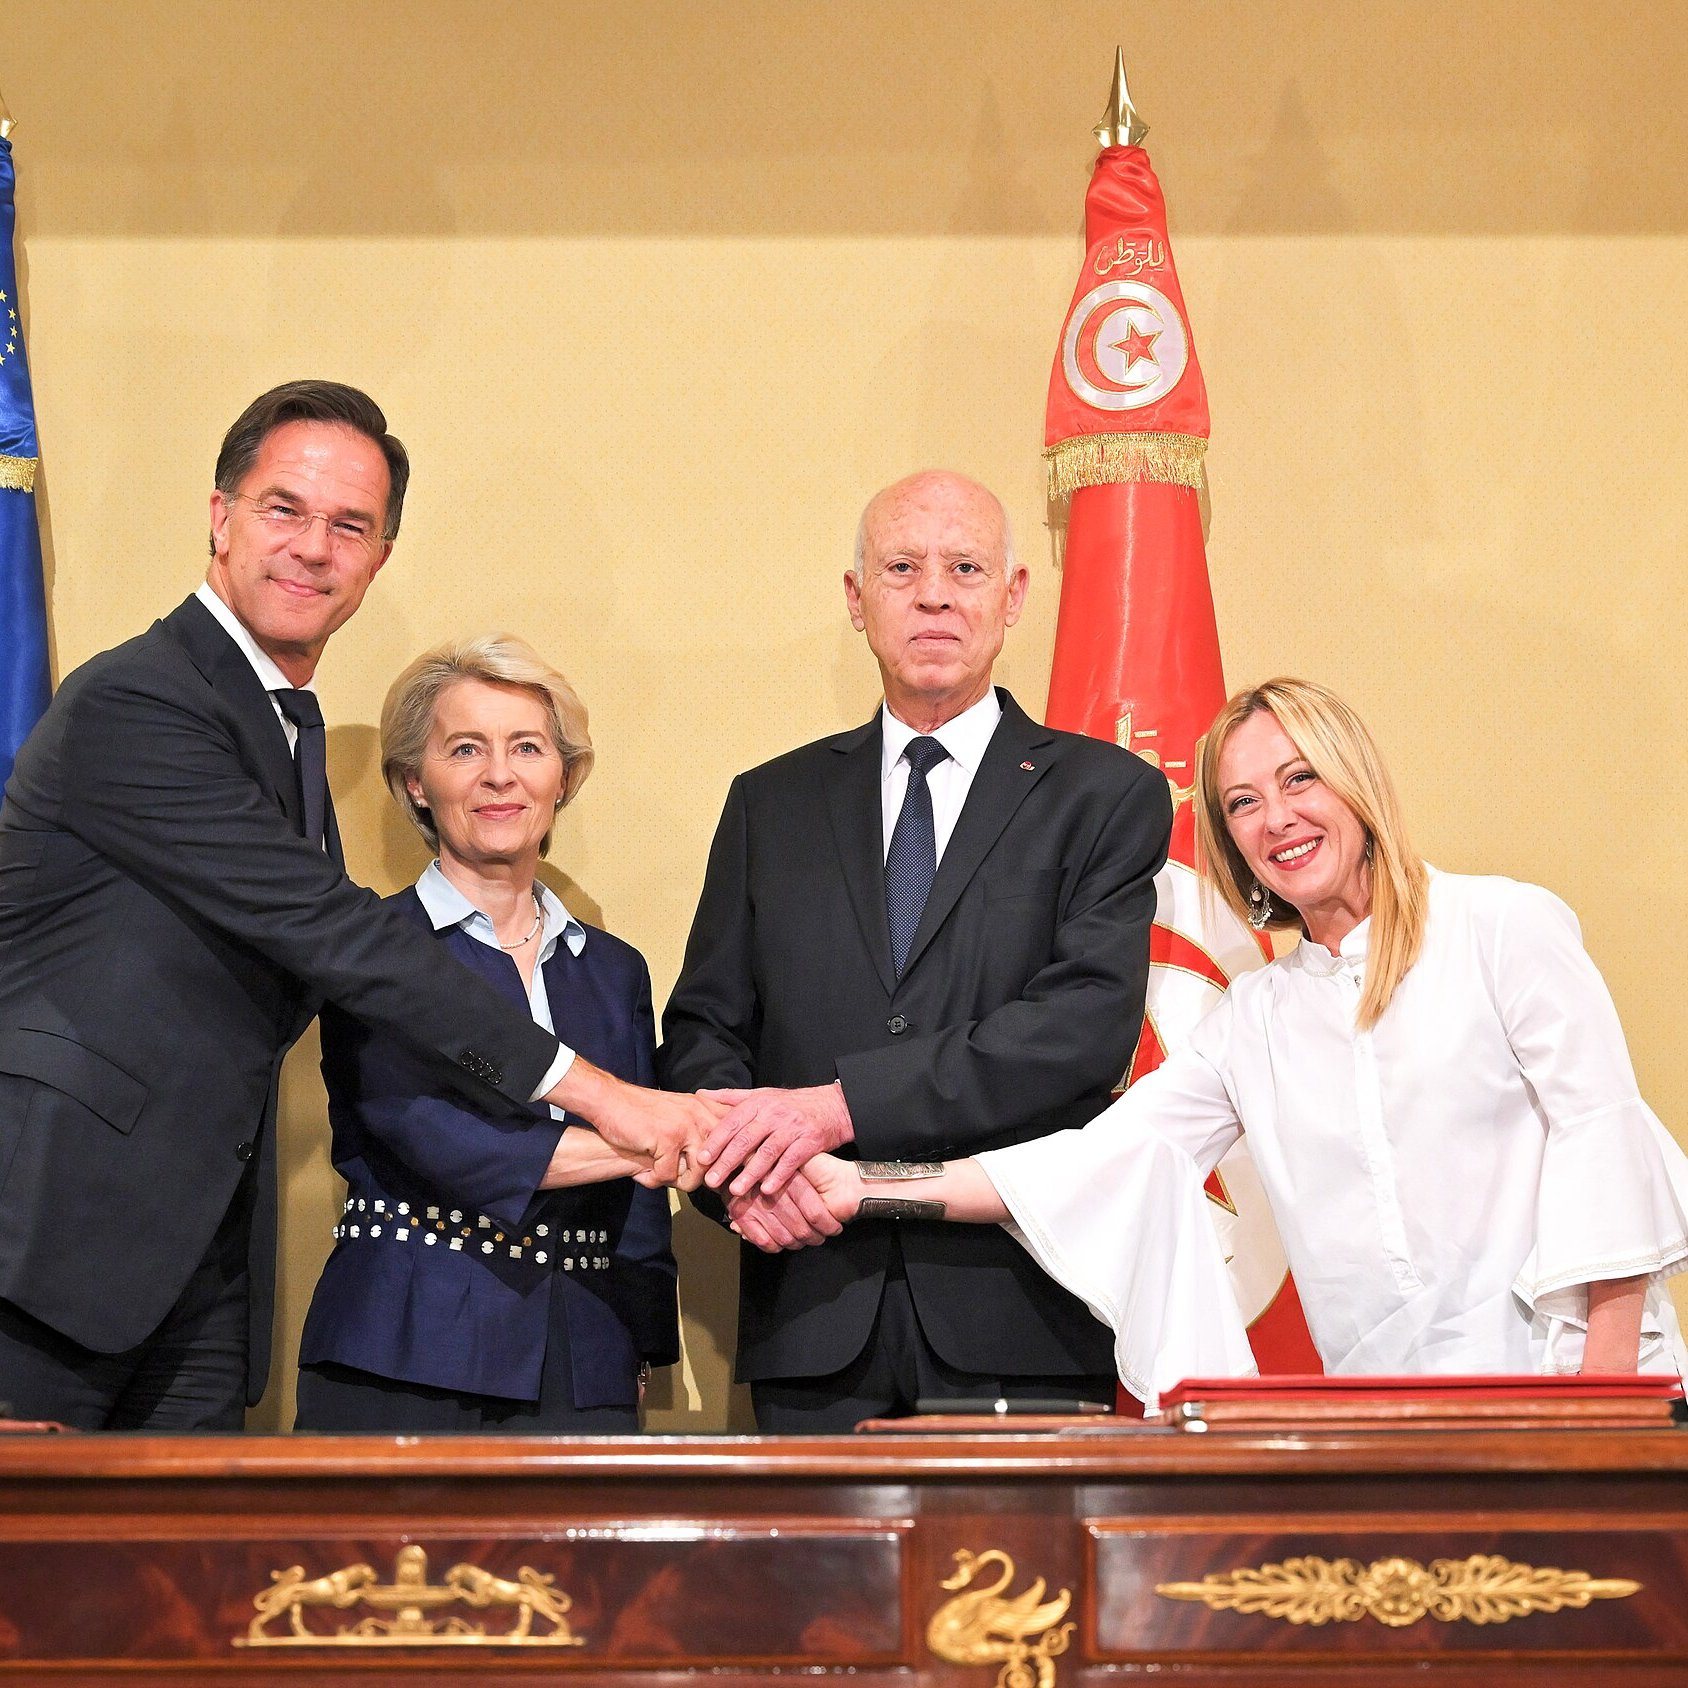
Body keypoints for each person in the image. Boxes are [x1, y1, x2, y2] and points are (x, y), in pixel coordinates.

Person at [0, 381, 709, 1431]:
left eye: (350, 525)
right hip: (43, 1251)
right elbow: (337, 938)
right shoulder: (139, 700)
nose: (312, 547)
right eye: (284, 508)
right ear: (219, 515)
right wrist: (609, 1096)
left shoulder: (284, 730)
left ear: (379, 558)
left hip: (190, 1277)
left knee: (178, 1590)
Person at [783, 678, 1688, 1409]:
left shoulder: (1504, 927)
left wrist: (1605, 1398)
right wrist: (860, 1185)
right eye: (1243, 802)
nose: (1276, 820)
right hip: (1393, 1419)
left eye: (1301, 780)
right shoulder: (1255, 1018)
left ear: (1357, 783)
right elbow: (1091, 1166)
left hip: (1572, 1390)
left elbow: (1602, 1138)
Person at [658, 469, 1173, 1430]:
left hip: (1023, 1311)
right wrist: (745, 1188)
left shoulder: (1103, 795)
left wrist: (835, 1108)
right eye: (902, 566)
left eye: (965, 567)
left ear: (1013, 596)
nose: (934, 592)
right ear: (858, 600)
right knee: (808, 1588)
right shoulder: (771, 804)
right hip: (808, 1303)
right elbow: (703, 1032)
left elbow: (1080, 1032)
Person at [295, 636, 677, 1432]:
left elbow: (639, 1221)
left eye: (527, 748)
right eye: (465, 748)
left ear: (562, 778)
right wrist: (670, 1139)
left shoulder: (613, 969)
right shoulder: (373, 946)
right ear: (416, 783)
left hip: (587, 1362)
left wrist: (640, 1348)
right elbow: (445, 1143)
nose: (499, 775)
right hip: (405, 1350)